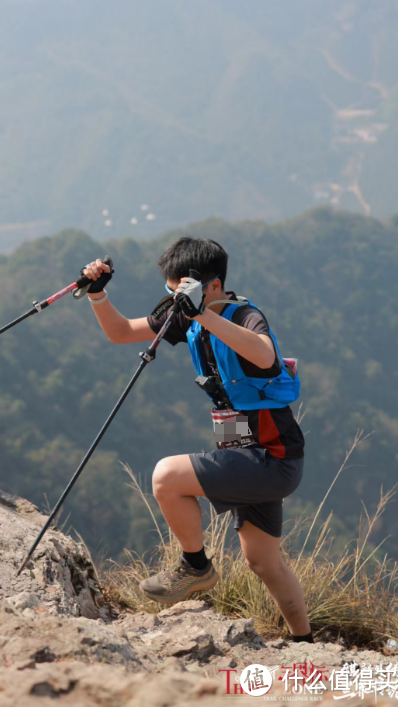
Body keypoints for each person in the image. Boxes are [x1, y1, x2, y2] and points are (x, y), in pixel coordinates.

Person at [82, 237, 313, 643]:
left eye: (181, 291)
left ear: (212, 286)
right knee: (263, 562)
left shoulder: (243, 316)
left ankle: (195, 567)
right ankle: (304, 642)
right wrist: (98, 294)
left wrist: (203, 314)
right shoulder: (185, 315)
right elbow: (121, 333)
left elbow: (264, 356)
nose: (174, 301)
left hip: (273, 458)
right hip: (244, 452)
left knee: (166, 476)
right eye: (170, 292)